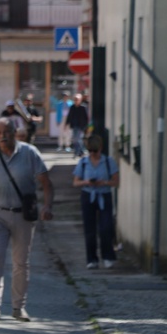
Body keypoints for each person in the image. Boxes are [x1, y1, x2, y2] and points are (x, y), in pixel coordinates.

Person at [0, 118, 54, 322]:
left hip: (23, 216)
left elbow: (46, 183)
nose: (3, 136)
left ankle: (18, 307)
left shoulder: (30, 153)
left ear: (15, 133)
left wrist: (48, 205)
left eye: (6, 132)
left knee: (20, 262)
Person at [72, 135, 120, 269]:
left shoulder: (108, 161)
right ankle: (92, 259)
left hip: (104, 195)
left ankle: (108, 256)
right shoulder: (83, 162)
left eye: (95, 151)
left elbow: (116, 182)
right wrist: (86, 182)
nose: (93, 154)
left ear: (101, 149)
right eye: (91, 151)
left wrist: (104, 182)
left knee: (106, 227)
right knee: (90, 229)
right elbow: (75, 182)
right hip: (88, 195)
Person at [64, 93, 90, 157]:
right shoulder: (72, 107)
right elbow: (69, 116)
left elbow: (86, 118)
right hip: (74, 125)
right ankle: (80, 151)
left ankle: (79, 151)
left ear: (80, 100)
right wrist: (66, 124)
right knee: (75, 139)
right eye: (75, 99)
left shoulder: (83, 108)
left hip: (81, 126)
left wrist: (87, 126)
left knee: (78, 139)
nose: (76, 101)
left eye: (77, 99)